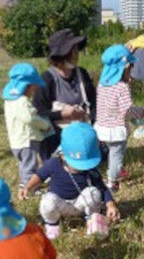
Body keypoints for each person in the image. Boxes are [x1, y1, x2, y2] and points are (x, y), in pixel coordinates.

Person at [19, 122, 120, 240]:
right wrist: (28, 187)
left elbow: (102, 187)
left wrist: (111, 205)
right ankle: (52, 224)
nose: (82, 168)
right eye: (77, 165)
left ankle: (91, 219)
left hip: (81, 203)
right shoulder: (53, 164)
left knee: (94, 192)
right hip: (60, 203)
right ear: (62, 155)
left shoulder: (90, 170)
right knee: (48, 201)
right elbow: (39, 176)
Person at [33, 28, 97, 160]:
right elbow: (38, 113)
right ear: (62, 54)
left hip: (82, 128)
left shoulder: (82, 74)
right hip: (57, 132)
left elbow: (94, 103)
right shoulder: (47, 78)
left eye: (76, 50)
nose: (76, 54)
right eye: (72, 51)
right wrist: (62, 114)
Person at [94, 44, 144, 191]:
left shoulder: (102, 85)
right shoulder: (122, 87)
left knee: (111, 153)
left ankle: (117, 170)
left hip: (102, 127)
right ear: (125, 67)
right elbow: (126, 111)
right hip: (116, 130)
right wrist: (140, 112)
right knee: (116, 155)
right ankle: (112, 182)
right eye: (131, 68)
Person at [3, 63, 54, 189]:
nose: (35, 91)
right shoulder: (22, 102)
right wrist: (45, 125)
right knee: (30, 164)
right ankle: (30, 187)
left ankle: (23, 182)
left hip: (16, 140)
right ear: (25, 86)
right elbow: (30, 118)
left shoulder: (10, 100)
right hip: (26, 140)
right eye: (33, 88)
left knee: (24, 163)